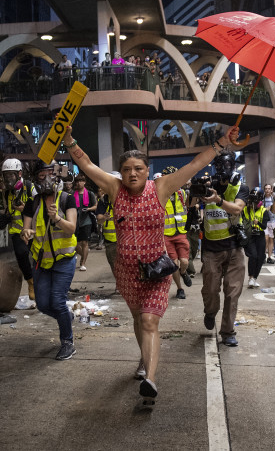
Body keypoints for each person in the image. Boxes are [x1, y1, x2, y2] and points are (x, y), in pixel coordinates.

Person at [61, 123, 240, 403]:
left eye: (138, 168)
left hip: (156, 269)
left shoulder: (161, 187)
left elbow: (196, 163)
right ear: (121, 172)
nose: (132, 173)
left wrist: (221, 143)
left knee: (149, 321)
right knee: (137, 319)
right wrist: (70, 141)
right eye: (127, 169)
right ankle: (144, 360)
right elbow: (87, 164)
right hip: (127, 272)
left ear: (147, 170)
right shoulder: (114, 188)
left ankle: (150, 381)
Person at [21, 160, 79, 360]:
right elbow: (26, 228)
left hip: (64, 260)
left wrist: (57, 219)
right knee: (43, 304)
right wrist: (26, 232)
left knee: (57, 301)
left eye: (50, 174)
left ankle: (67, 342)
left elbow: (71, 228)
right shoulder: (33, 202)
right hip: (40, 261)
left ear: (57, 175)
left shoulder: (66, 199)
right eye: (41, 175)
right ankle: (66, 319)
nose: (46, 179)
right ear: (36, 178)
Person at [200, 151, 249, 347]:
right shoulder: (207, 186)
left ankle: (228, 331)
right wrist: (197, 195)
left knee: (232, 292)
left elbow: (237, 209)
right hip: (211, 249)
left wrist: (217, 200)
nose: (224, 170)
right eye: (221, 166)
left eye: (228, 166)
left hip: (234, 247)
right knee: (211, 290)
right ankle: (210, 312)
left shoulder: (240, 187)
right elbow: (193, 205)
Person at [0, 158, 37, 308]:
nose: (8, 178)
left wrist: (25, 210)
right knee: (21, 256)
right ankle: (31, 282)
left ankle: (42, 283)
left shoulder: (30, 187)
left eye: (11, 175)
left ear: (19, 174)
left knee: (37, 258)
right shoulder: (6, 192)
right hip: (16, 231)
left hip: (33, 229)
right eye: (6, 175)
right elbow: (6, 209)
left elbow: (39, 207)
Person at [159, 165, 193, 299]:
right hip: (167, 235)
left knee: (184, 262)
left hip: (180, 233)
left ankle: (184, 273)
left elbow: (191, 205)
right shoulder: (160, 195)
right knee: (174, 264)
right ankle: (180, 288)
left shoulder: (182, 193)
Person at [242, 187, 271, 288]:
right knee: (253, 256)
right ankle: (250, 277)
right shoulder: (245, 209)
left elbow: (264, 226)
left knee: (260, 257)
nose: (252, 202)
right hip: (250, 237)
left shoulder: (264, 211)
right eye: (251, 199)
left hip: (260, 236)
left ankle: (254, 278)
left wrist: (257, 222)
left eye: (255, 200)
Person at [96, 172, 121, 276]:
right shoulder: (103, 200)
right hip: (110, 240)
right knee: (114, 265)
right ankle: (119, 284)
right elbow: (99, 220)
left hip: (127, 240)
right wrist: (104, 217)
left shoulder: (127, 198)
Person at [72, 174, 97, 272]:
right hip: (76, 220)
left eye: (80, 181)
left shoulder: (90, 194)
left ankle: (83, 263)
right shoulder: (73, 194)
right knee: (75, 243)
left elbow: (95, 206)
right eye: (77, 181)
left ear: (84, 182)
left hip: (87, 220)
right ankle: (83, 254)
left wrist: (89, 209)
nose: (78, 183)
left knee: (85, 242)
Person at [262, 183, 275, 263]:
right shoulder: (262, 199)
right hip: (264, 221)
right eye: (266, 188)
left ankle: (269, 257)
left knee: (271, 239)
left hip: (272, 221)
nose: (267, 190)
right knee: (266, 238)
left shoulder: (274, 199)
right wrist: (266, 209)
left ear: (271, 190)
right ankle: (263, 255)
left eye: (269, 188)